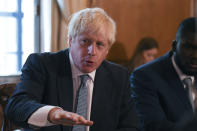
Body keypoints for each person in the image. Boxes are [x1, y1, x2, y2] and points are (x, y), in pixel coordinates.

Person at [5, 8, 140, 131]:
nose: (92, 51)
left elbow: (130, 125)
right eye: (85, 41)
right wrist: (52, 114)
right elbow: (16, 106)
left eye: (99, 44)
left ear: (107, 50)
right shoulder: (42, 65)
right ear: (70, 41)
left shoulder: (119, 76)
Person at [130, 17, 197, 131]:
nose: (195, 56)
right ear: (174, 46)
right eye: (189, 47)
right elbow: (155, 127)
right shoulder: (144, 77)